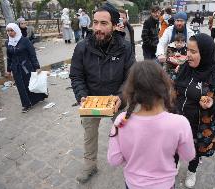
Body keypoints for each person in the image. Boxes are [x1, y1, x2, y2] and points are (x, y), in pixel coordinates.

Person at [69, 2, 135, 183]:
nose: (98, 28)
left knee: (125, 133)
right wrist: (81, 94)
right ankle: (90, 165)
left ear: (114, 25)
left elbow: (131, 78)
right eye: (95, 22)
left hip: (116, 100)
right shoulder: (82, 47)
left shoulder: (125, 48)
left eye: (104, 23)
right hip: (91, 100)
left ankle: (131, 164)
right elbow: (76, 75)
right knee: (89, 135)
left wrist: (121, 97)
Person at [107, 60, 195, 189]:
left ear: (131, 91)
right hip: (165, 185)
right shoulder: (180, 123)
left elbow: (114, 160)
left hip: (133, 184)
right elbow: (188, 155)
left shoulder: (121, 121)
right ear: (165, 87)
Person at [175, 33, 215, 188]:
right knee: (175, 146)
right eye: (188, 50)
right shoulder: (184, 68)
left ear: (205, 53)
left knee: (194, 151)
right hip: (178, 120)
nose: (189, 55)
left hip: (199, 126)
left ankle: (192, 171)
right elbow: (175, 88)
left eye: (194, 52)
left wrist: (212, 104)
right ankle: (175, 162)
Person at [5, 23, 47, 113]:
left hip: (27, 67)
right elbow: (9, 57)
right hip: (16, 69)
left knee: (31, 84)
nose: (9, 32)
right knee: (21, 87)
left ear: (16, 30)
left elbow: (32, 55)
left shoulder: (25, 40)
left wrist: (37, 67)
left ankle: (40, 97)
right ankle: (26, 104)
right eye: (8, 31)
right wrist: (8, 70)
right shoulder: (8, 42)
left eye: (11, 30)